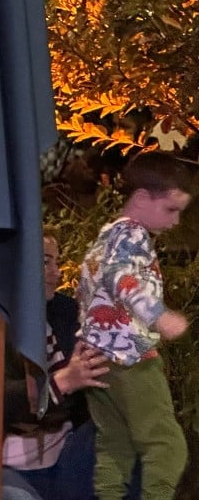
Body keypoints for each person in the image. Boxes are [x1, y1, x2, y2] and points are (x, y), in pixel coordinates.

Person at [0, 230, 120, 500]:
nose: (56, 273)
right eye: (46, 262)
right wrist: (62, 383)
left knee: (133, 445)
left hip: (63, 459)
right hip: (1, 466)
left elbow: (87, 385)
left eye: (56, 262)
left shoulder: (66, 313)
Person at [78, 151, 192, 500]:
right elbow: (122, 277)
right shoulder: (134, 235)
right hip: (129, 356)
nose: (174, 222)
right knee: (167, 445)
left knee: (115, 444)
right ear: (142, 197)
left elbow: (90, 289)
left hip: (95, 358)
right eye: (171, 209)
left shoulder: (106, 235)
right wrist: (159, 314)